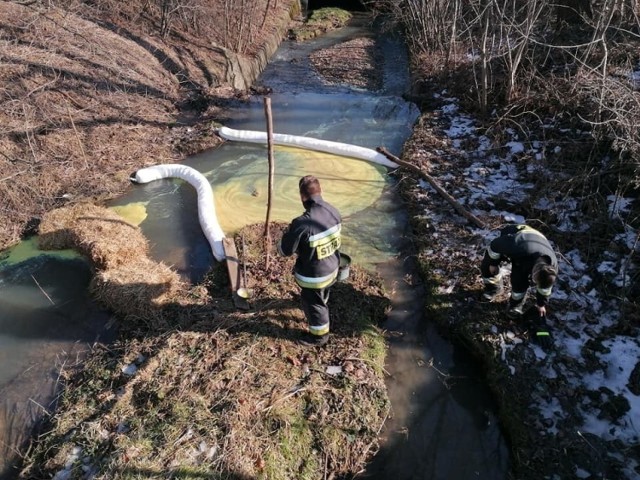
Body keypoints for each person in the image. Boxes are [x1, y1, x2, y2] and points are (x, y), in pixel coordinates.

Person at [278, 175, 342, 347]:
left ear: (302, 196)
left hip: (315, 277)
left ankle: (319, 337)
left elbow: (284, 251)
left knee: (315, 305)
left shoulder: (301, 223)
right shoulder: (333, 211)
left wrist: (287, 234)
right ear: (321, 191)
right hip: (334, 267)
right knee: (322, 296)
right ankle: (323, 302)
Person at [480, 224, 558, 321]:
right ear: (535, 271)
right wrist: (493, 263)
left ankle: (515, 306)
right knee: (488, 267)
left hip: (532, 252)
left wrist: (541, 304)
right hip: (518, 235)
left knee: (519, 282)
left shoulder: (551, 270)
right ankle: (493, 288)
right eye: (534, 280)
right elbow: (495, 245)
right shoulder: (516, 245)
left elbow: (545, 289)